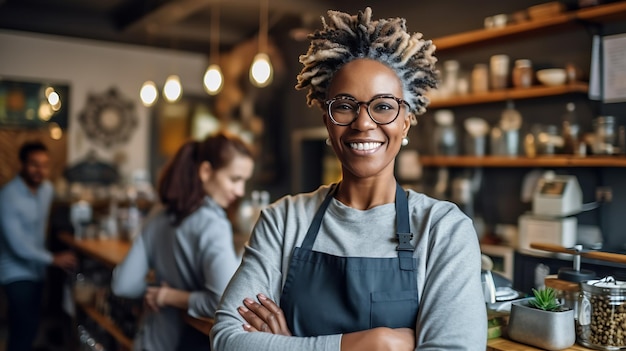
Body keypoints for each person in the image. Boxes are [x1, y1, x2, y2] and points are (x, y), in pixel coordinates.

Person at [210, 7, 487, 351]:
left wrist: (290, 345)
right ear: (327, 120)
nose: (363, 123)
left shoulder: (444, 230)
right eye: (345, 105)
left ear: (406, 121)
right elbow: (227, 340)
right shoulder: (283, 221)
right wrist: (374, 343)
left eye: (383, 106)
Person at [111, 131, 255, 351]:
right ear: (206, 171)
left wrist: (160, 292)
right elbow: (226, 302)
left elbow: (123, 284)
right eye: (235, 179)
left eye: (244, 181)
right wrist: (169, 296)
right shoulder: (213, 225)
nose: (240, 191)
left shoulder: (158, 215)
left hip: (149, 341)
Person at [0, 141, 77, 351]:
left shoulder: (47, 190)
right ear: (22, 165)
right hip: (15, 271)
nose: (39, 170)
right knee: (22, 328)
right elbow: (18, 246)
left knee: (33, 325)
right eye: (34, 164)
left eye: (44, 165)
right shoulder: (8, 197)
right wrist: (54, 259)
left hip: (37, 270)